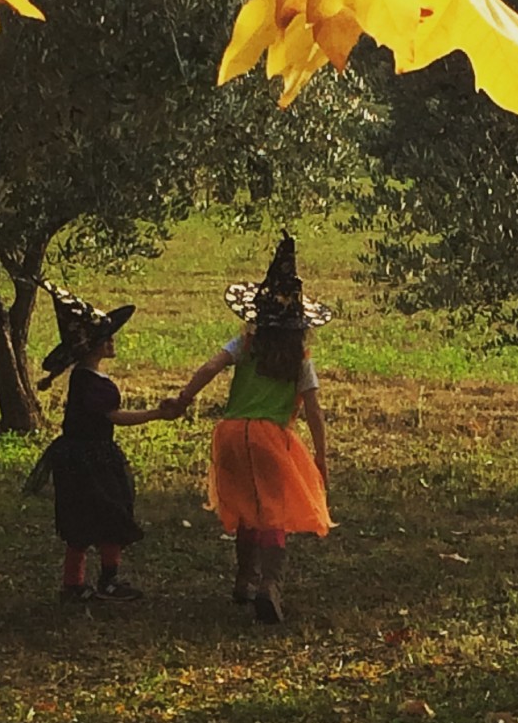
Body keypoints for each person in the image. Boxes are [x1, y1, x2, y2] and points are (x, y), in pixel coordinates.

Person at [168, 232, 333, 624]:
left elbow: (210, 367)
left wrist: (183, 399)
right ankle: (269, 586)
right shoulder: (299, 358)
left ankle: (244, 578)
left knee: (244, 508)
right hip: (272, 439)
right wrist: (322, 456)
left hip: (230, 434)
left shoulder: (245, 344)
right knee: (272, 513)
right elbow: (313, 409)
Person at [25, 281, 177, 602]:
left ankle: (79, 582)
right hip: (91, 459)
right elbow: (115, 417)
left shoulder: (86, 378)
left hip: (81, 456)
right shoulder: (93, 384)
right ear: (95, 346)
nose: (113, 341)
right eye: (107, 337)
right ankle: (95, 581)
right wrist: (155, 414)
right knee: (103, 515)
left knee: (90, 517)